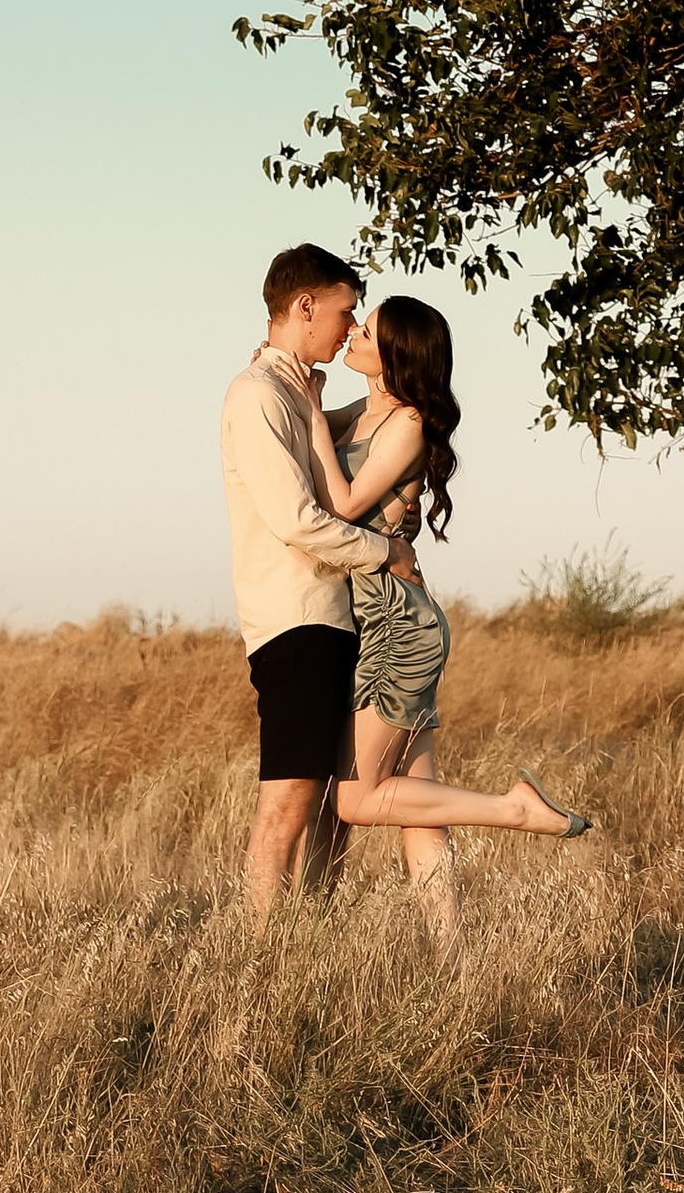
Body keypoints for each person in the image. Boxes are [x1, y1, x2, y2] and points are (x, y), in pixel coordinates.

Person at [219, 246, 590, 922]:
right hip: (349, 616)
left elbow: (337, 500)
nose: (352, 329)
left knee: (351, 799)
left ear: (396, 353)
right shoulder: (316, 404)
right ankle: (449, 962)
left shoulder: (396, 419)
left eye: (366, 326)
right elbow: (302, 482)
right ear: (307, 307)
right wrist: (302, 398)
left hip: (387, 620)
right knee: (406, 796)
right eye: (347, 315)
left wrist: (384, 541)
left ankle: (514, 809)